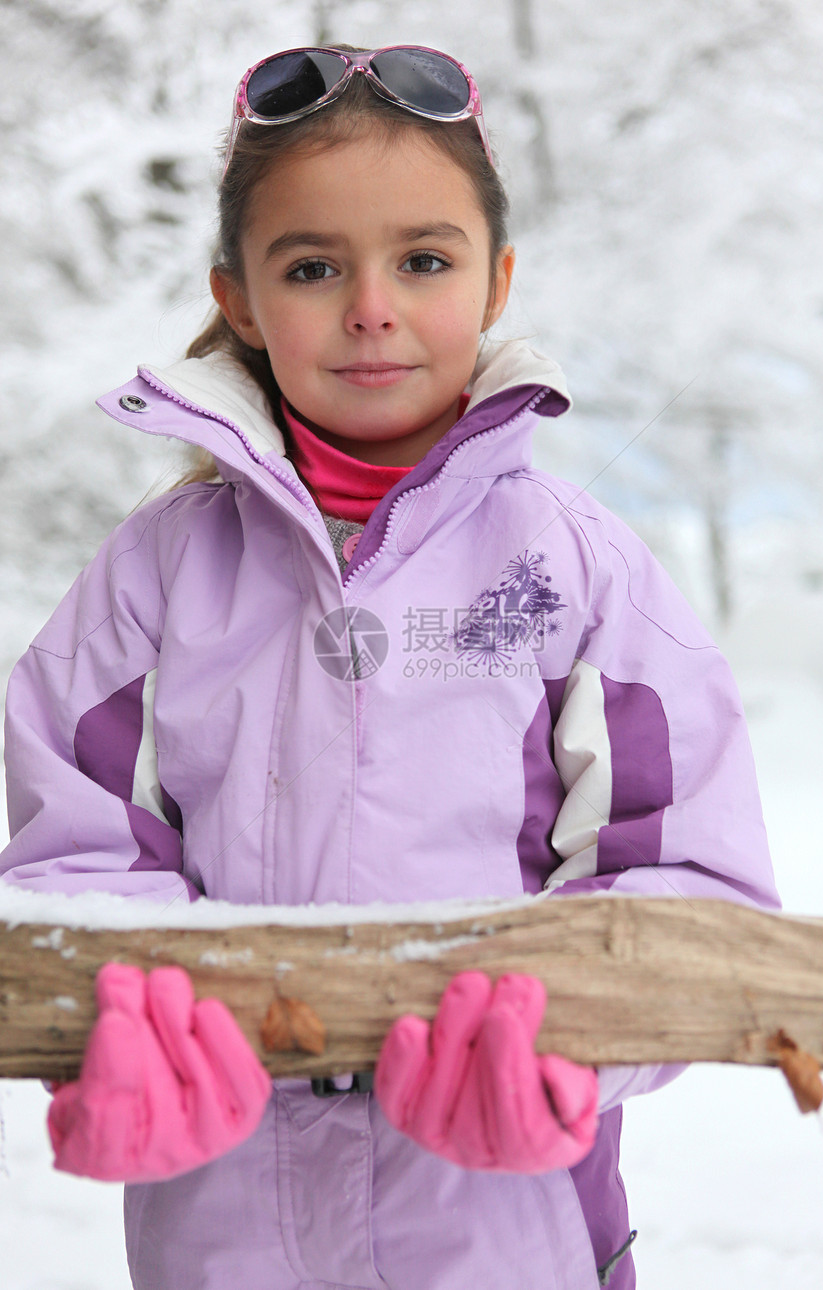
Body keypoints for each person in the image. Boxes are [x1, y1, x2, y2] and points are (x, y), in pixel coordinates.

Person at [0, 44, 779, 1290]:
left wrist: (558, 1041)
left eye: (422, 259)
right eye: (313, 267)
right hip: (226, 1222)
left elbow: (683, 877)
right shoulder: (156, 573)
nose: (371, 306)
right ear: (241, 299)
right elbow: (74, 850)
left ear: (494, 280)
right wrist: (139, 1015)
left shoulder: (576, 571)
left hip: (499, 1220)